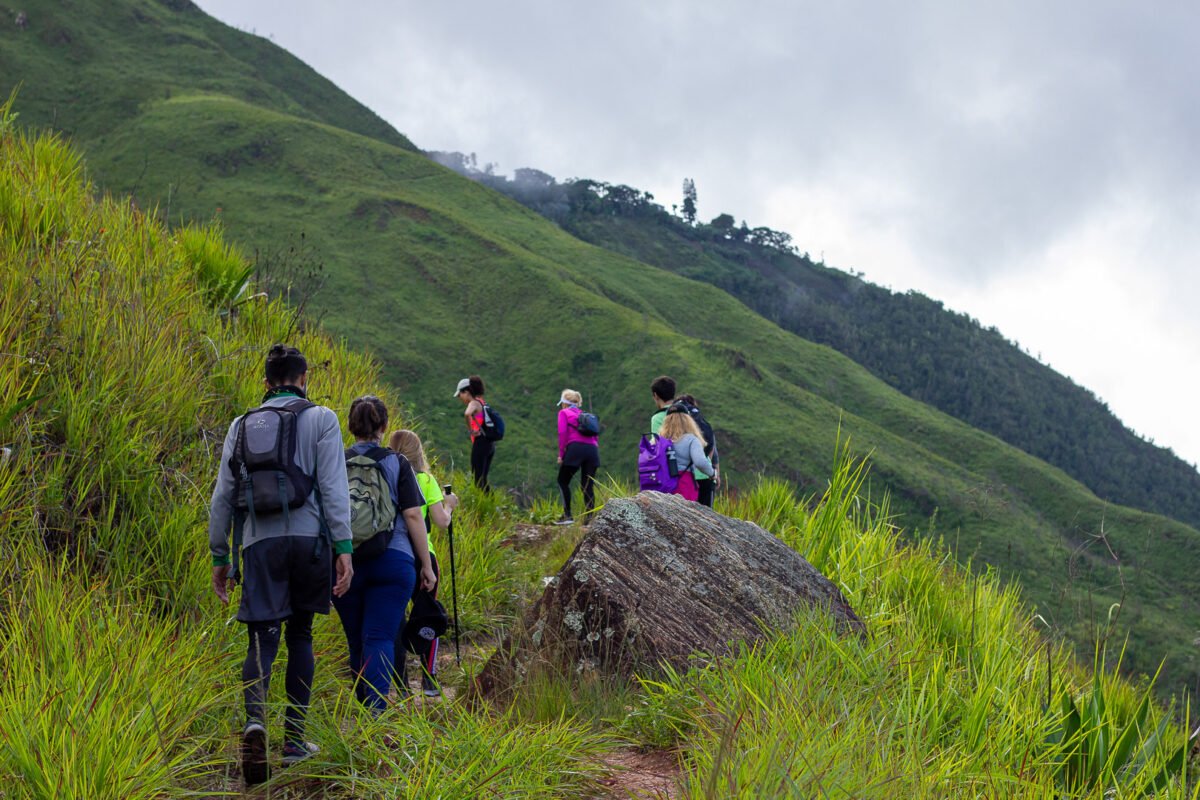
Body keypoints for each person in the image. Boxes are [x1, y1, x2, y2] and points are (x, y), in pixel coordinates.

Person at [208, 344, 355, 785]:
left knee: (261, 635)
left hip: (260, 544)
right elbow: (333, 486)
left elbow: (222, 496)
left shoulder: (241, 424)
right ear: (304, 377)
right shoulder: (322, 418)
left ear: (266, 382)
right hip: (310, 543)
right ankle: (294, 741)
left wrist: (220, 555)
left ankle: (256, 721)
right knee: (302, 634)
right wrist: (344, 547)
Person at [331, 396, 436, 714]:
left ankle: (364, 708)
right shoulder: (397, 463)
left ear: (351, 426)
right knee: (379, 636)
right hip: (394, 560)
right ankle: (375, 712)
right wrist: (427, 566)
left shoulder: (336, 461)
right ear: (383, 426)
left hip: (345, 561)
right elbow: (415, 517)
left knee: (356, 639)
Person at [389, 429, 459, 698]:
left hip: (393, 553)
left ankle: (401, 683)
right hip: (423, 556)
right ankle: (429, 679)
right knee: (428, 613)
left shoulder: (388, 475)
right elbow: (441, 521)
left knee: (396, 618)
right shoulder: (425, 480)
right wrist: (449, 504)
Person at [554, 389, 600, 525]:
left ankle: (567, 516)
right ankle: (589, 520)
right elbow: (595, 436)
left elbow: (562, 434)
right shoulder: (586, 416)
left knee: (562, 481)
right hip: (592, 451)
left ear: (564, 403)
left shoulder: (564, 413)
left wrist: (561, 455)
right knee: (587, 486)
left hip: (575, 449)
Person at [658, 404, 715, 502]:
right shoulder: (691, 439)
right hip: (683, 484)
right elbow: (700, 462)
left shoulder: (658, 440)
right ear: (688, 420)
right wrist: (712, 473)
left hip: (661, 483)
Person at [675, 394, 721, 507]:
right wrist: (715, 473)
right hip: (705, 476)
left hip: (681, 478)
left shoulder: (671, 427)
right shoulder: (703, 423)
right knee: (706, 518)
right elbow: (712, 452)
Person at [454, 375, 494, 491]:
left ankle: (481, 503)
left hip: (480, 443)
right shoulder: (482, 402)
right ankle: (488, 503)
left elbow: (467, 414)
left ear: (466, 392)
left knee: (477, 478)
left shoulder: (473, 403)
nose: (460, 398)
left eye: (460, 395)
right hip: (489, 444)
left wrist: (471, 431)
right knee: (483, 478)